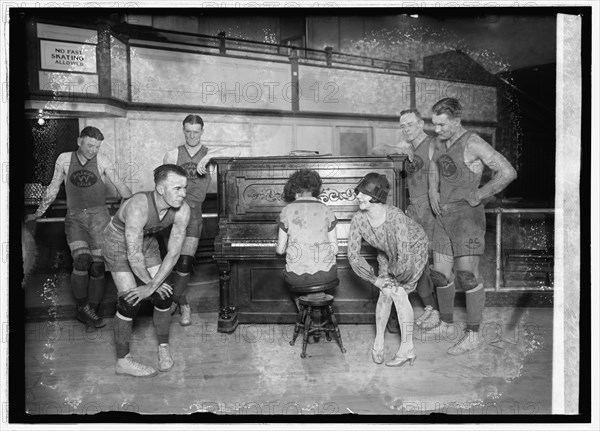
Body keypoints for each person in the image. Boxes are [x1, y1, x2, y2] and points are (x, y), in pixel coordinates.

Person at [428, 97, 517, 355]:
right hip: (443, 217)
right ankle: (446, 324)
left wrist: (482, 193)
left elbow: (508, 172)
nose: (437, 129)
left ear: (456, 121)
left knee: (467, 277)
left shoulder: (473, 142)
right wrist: (433, 191)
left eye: (442, 124)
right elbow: (434, 165)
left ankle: (473, 334)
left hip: (467, 219)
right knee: (440, 274)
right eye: (434, 124)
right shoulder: (438, 141)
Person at [25, 126, 132, 328]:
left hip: (100, 218)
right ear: (78, 141)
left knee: (98, 266)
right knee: (82, 260)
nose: (94, 150)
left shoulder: (103, 160)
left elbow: (122, 187)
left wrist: (133, 206)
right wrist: (39, 212)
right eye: (90, 145)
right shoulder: (64, 159)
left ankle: (92, 307)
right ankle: (82, 308)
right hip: (75, 218)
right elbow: (54, 187)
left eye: (97, 146)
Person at [102, 164, 190, 377]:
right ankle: (123, 362)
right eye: (177, 188)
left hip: (148, 241)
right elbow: (133, 255)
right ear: (160, 189)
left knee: (164, 294)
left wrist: (153, 286)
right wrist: (149, 286)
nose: (183, 194)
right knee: (129, 300)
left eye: (185, 188)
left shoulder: (183, 210)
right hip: (117, 243)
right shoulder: (139, 206)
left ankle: (163, 347)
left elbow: (174, 253)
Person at [162, 114, 242, 326]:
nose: (191, 135)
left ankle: (177, 302)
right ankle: (183, 303)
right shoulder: (172, 154)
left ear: (202, 132)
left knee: (186, 262)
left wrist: (208, 158)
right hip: (173, 212)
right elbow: (162, 187)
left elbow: (239, 152)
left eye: (196, 132)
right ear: (183, 130)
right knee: (172, 261)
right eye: (188, 131)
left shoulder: (209, 155)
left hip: (195, 213)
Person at [347, 173, 428, 367]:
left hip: (413, 249)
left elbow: (404, 256)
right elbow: (353, 255)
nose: (358, 196)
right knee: (385, 292)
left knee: (398, 293)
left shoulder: (396, 218)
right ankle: (379, 342)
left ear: (376, 197)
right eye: (359, 191)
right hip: (387, 252)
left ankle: (407, 349)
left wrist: (396, 279)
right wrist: (375, 280)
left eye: (364, 193)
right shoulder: (358, 219)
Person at [398, 109, 440, 331]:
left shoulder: (433, 144)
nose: (406, 129)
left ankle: (440, 312)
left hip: (429, 207)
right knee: (417, 260)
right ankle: (430, 308)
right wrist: (401, 150)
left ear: (421, 123)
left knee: (435, 260)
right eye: (403, 125)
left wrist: (434, 194)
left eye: (410, 124)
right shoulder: (408, 148)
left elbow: (441, 174)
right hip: (413, 206)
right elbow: (377, 149)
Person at [275, 170, 338, 310]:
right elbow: (335, 249)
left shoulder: (287, 211)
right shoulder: (326, 210)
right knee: (322, 277)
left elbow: (280, 250)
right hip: (326, 275)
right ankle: (318, 313)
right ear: (316, 188)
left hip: (297, 277)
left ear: (295, 190)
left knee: (294, 281)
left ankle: (304, 313)